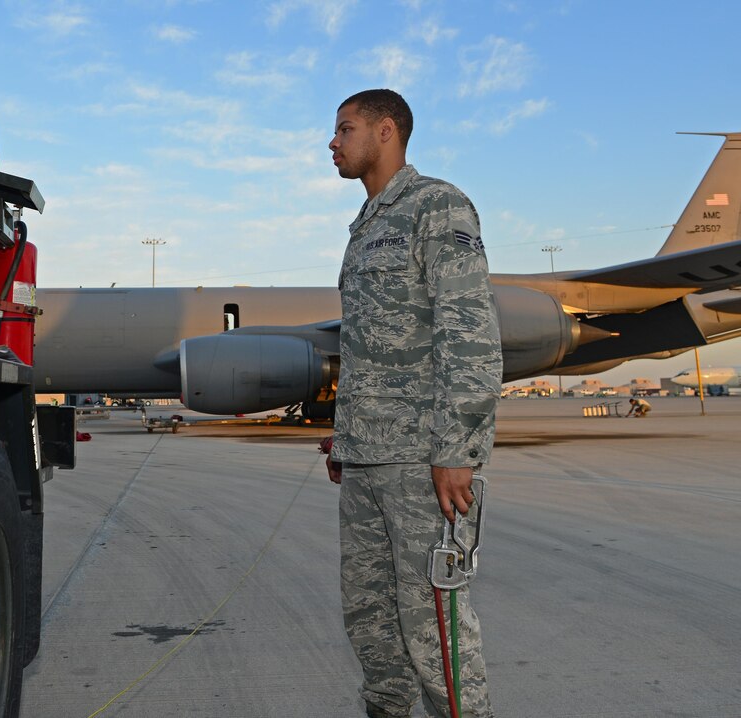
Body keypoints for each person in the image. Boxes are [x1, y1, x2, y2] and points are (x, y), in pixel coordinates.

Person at [326, 89, 502, 718]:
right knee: (372, 626)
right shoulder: (366, 226)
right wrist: (345, 441)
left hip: (422, 464)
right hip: (369, 460)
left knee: (435, 630)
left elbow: (470, 334)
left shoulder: (437, 206)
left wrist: (457, 449)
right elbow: (373, 345)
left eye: (345, 129)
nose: (333, 142)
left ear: (385, 131)